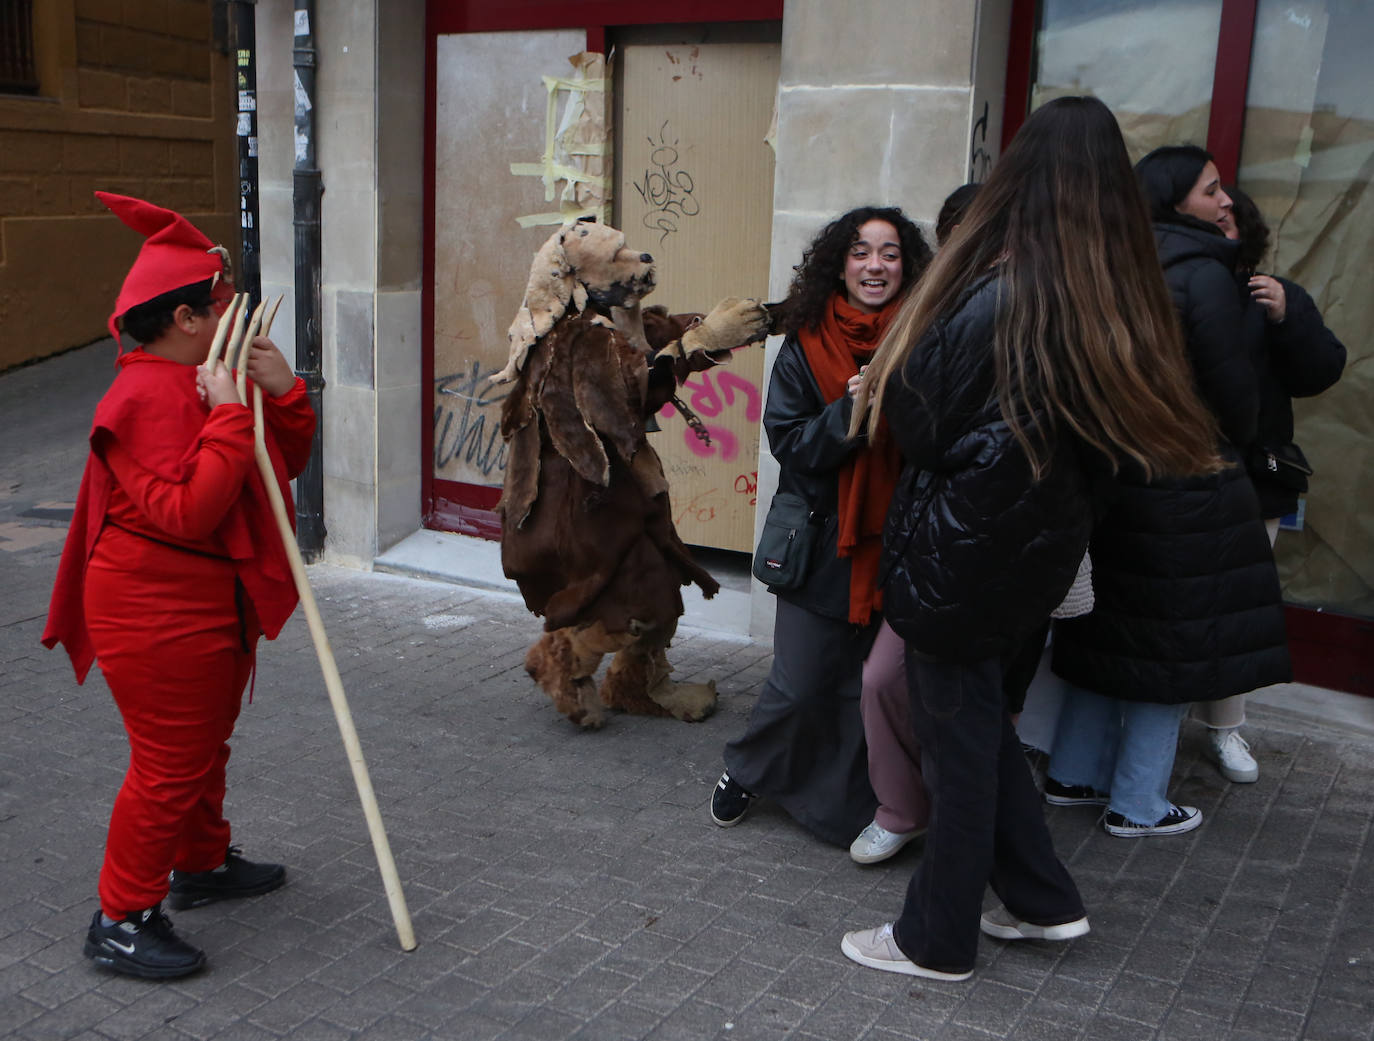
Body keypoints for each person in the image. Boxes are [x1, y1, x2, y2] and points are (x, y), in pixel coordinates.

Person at [839, 96, 1227, 981]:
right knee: (977, 729)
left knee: (960, 747)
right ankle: (1044, 901)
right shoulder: (1115, 293)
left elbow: (923, 421)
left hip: (962, 552)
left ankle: (934, 938)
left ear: (1024, 176)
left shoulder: (1007, 286)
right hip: (1033, 553)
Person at [43, 193, 316, 979]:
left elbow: (280, 460)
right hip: (154, 608)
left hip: (209, 603)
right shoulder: (140, 394)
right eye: (222, 303)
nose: (235, 314)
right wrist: (232, 414)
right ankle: (121, 915)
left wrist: (281, 386)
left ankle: (200, 862)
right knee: (168, 760)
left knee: (203, 743)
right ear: (188, 319)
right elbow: (191, 509)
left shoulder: (206, 372)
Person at [1045, 147, 1290, 832]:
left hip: (1113, 473)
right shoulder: (1203, 275)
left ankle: (1073, 771)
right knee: (1169, 646)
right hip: (1186, 477)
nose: (1225, 201)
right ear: (1176, 198)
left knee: (1108, 631)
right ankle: (1139, 802)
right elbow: (1234, 396)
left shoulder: (1109, 264)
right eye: (1212, 189)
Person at [710, 206, 933, 848]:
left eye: (889, 253)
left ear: (907, 266)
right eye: (861, 252)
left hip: (898, 539)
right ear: (840, 263)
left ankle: (843, 806)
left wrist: (905, 405)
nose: (875, 265)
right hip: (821, 538)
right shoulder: (805, 344)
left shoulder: (925, 338)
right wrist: (850, 412)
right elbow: (789, 442)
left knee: (863, 689)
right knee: (800, 682)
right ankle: (746, 769)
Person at [1185, 186, 1346, 781]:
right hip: (1178, 476)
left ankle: (1225, 729)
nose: (1220, 221)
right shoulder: (1170, 287)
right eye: (1209, 211)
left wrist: (1287, 315)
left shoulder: (1271, 293)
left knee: (1237, 608)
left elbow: (1322, 369)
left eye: (1231, 217)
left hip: (1256, 480)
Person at [849, 182, 985, 867]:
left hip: (994, 540)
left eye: (889, 253)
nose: (875, 266)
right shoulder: (937, 314)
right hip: (922, 535)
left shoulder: (1023, 312)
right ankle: (904, 808)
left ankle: (967, 834)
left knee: (982, 701)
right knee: (883, 678)